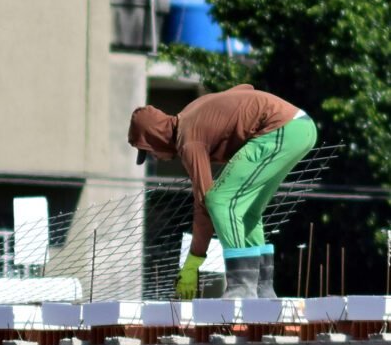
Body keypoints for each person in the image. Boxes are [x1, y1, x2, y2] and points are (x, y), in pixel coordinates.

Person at [128, 84, 317, 300]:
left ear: (154, 137)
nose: (155, 158)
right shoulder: (191, 112)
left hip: (281, 129)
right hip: (300, 128)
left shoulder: (188, 140)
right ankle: (262, 290)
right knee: (248, 211)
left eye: (149, 153)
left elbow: (204, 205)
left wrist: (193, 262)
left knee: (219, 200)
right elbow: (245, 87)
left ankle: (242, 287)